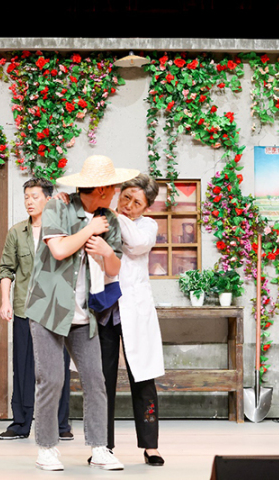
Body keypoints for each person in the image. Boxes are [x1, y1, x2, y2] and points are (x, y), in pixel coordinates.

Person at [25, 155, 138, 471]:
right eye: (113, 187)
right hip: (48, 308)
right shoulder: (58, 207)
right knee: (51, 379)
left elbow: (114, 268)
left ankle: (100, 447)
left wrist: (106, 251)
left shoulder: (109, 219)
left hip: (85, 313)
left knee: (95, 379)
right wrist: (90, 230)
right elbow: (59, 249)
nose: (116, 192)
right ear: (101, 189)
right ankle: (46, 448)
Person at [0, 178, 72, 441]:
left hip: (56, 308)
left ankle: (60, 425)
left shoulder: (64, 228)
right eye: (26, 197)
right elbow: (6, 269)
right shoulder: (17, 232)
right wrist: (5, 301)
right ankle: (20, 423)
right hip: (25, 308)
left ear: (48, 199)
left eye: (35, 196)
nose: (29, 201)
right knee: (23, 367)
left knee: (58, 368)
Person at [100, 173, 165, 466]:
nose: (128, 205)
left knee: (143, 377)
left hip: (134, 311)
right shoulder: (101, 219)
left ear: (146, 208)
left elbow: (137, 245)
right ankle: (102, 445)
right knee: (103, 380)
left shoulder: (147, 226)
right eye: (125, 197)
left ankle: (151, 446)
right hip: (105, 311)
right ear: (118, 194)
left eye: (136, 203)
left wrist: (114, 215)